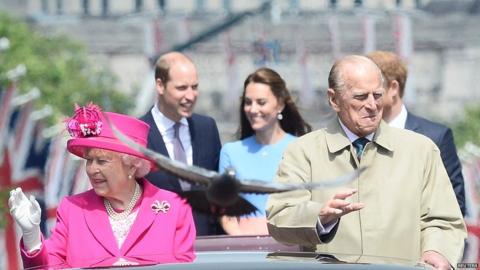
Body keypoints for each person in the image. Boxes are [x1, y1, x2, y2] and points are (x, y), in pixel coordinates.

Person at [266, 55, 466, 270]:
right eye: (361, 97)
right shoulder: (303, 151)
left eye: (378, 95)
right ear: (334, 99)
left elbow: (444, 221)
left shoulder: (421, 150)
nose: (372, 105)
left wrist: (436, 251)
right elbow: (280, 216)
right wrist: (319, 216)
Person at [9, 103, 195, 268]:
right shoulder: (73, 209)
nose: (92, 169)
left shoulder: (174, 208)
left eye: (102, 161)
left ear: (132, 164)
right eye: (89, 160)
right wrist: (31, 235)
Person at [366, 50, 466, 216]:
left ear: (393, 88)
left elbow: (454, 205)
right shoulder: (354, 135)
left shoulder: (436, 137)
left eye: (373, 90)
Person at [219, 67, 312, 235]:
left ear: (280, 104)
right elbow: (225, 213)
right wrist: (245, 243)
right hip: (245, 251)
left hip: (291, 247)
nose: (253, 109)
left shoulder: (302, 148)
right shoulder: (230, 152)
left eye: (261, 102)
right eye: (248, 102)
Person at [140, 51, 223, 236]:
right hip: (158, 247)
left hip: (207, 246)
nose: (191, 95)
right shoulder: (138, 135)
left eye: (194, 87)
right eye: (182, 88)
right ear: (160, 85)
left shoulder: (206, 128)